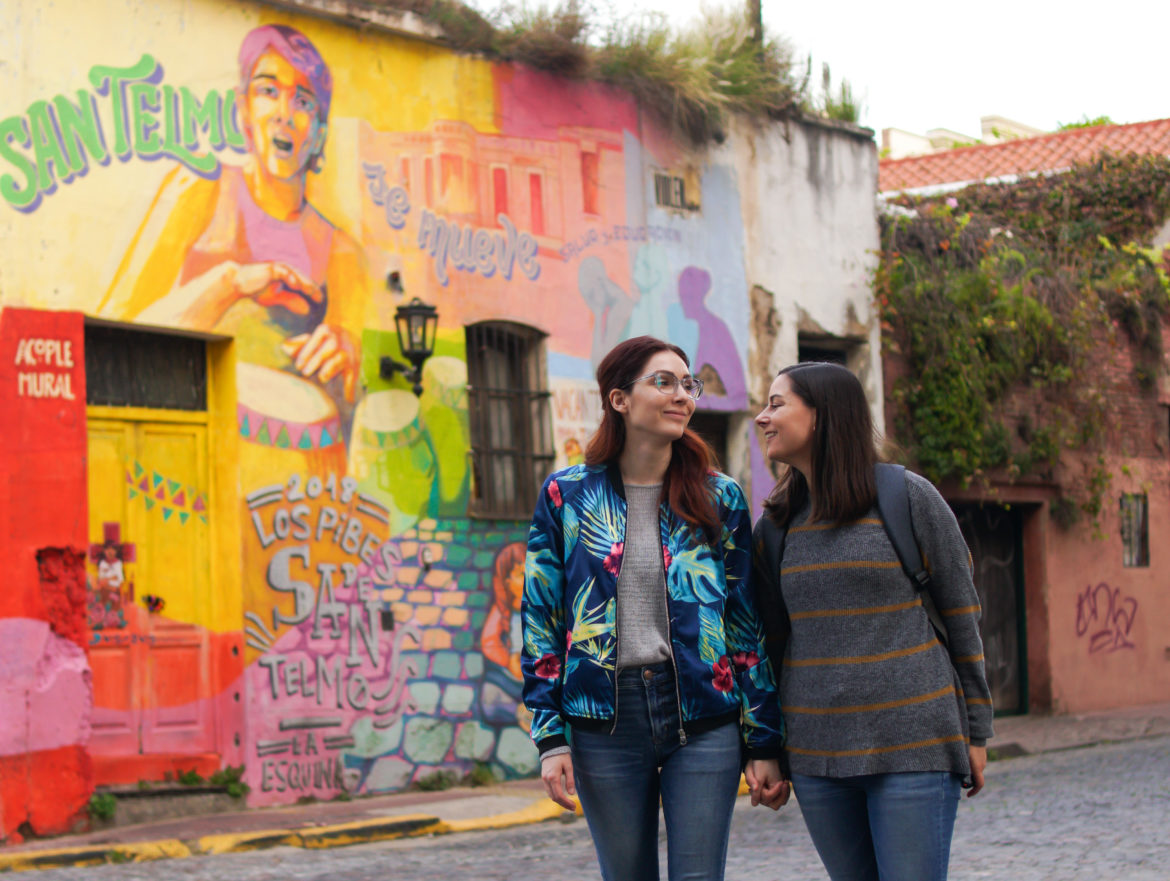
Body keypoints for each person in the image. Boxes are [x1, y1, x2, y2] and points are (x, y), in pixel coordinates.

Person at [522, 335, 787, 881]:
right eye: (663, 382)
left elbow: (743, 622)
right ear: (619, 399)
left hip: (703, 716)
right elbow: (541, 620)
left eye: (688, 384)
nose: (682, 396)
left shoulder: (720, 497)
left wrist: (763, 739)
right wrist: (550, 738)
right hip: (603, 721)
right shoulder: (566, 496)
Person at [752, 361, 994, 881]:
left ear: (822, 415)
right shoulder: (774, 526)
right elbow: (769, 647)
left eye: (777, 404)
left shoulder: (908, 498)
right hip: (818, 757)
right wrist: (766, 747)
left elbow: (961, 615)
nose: (761, 417)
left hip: (915, 745)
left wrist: (976, 731)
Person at [97, 23, 368, 411]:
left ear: (320, 134)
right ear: (243, 109)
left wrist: (345, 344)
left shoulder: (340, 251)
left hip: (292, 465)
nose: (284, 114)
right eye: (268, 91)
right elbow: (110, 333)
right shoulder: (199, 190)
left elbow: (353, 380)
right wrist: (231, 284)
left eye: (304, 101)